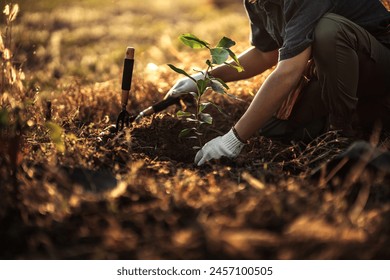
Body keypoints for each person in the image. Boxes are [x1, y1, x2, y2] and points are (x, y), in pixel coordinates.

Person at [165, 0, 390, 166]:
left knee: (329, 30)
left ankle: (342, 137)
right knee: (273, 129)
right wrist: (206, 77)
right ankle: (365, 119)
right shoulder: (256, 2)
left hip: (379, 67)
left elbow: (289, 70)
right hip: (340, 75)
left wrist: (234, 139)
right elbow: (266, 54)